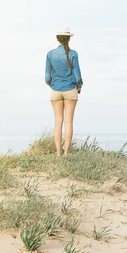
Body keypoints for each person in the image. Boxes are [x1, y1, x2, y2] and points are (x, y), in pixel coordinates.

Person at [45, 27, 83, 156]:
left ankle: (58, 153)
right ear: (69, 39)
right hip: (70, 89)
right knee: (68, 122)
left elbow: (47, 77)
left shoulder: (50, 54)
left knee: (58, 122)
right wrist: (79, 86)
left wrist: (53, 85)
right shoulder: (73, 54)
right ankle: (67, 152)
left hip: (56, 90)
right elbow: (77, 76)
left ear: (57, 39)